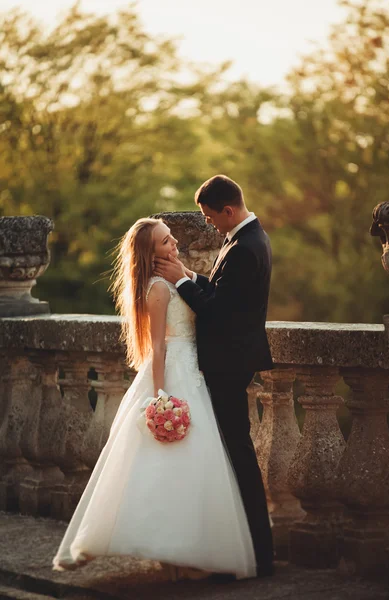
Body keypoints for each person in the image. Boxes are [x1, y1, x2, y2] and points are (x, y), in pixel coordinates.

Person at [52, 217, 257, 580]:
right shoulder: (158, 288)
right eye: (165, 241)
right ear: (150, 251)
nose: (173, 243)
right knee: (167, 461)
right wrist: (161, 396)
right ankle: (172, 557)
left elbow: (208, 298)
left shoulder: (176, 278)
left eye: (170, 237)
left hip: (193, 373)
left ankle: (188, 553)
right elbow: (158, 346)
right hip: (173, 374)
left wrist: (186, 274)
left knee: (196, 463)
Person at [154, 174, 274, 578]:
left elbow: (219, 311)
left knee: (237, 455)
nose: (208, 224)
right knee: (232, 453)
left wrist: (181, 281)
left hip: (227, 363)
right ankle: (245, 549)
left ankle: (256, 554)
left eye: (209, 217)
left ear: (228, 210)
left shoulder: (244, 246)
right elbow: (225, 293)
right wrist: (190, 274)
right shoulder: (246, 237)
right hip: (231, 360)